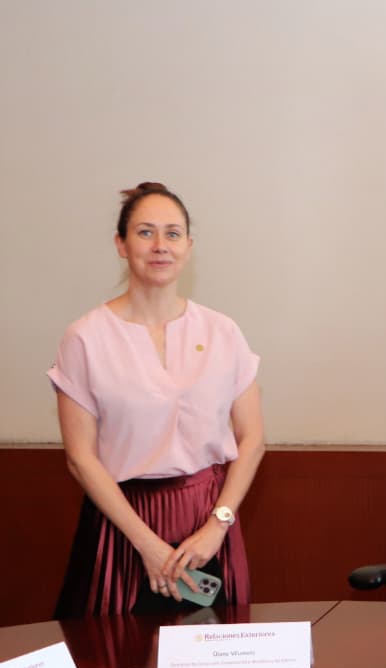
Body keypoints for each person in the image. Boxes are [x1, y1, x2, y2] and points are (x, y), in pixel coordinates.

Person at [49, 182, 265, 616]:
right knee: (114, 651)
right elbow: (80, 458)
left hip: (207, 524)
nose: (160, 245)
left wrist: (218, 525)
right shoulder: (86, 337)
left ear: (188, 246)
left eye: (173, 233)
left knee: (214, 649)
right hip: (122, 525)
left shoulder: (222, 332)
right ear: (121, 244)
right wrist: (146, 544)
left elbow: (253, 439)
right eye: (145, 232)